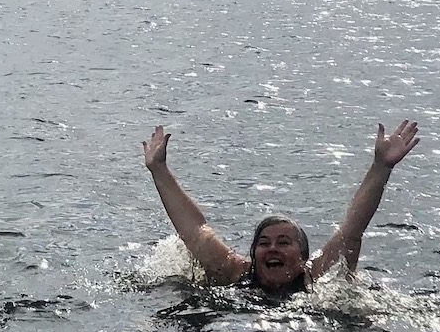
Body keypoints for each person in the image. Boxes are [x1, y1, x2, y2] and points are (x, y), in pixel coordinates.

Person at [142, 119, 420, 295]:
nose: (272, 248)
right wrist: (159, 170)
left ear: (302, 257)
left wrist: (381, 167)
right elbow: (194, 230)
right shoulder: (233, 272)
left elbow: (352, 229)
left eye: (283, 242)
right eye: (264, 243)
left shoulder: (317, 276)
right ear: (253, 253)